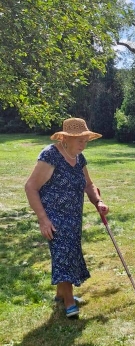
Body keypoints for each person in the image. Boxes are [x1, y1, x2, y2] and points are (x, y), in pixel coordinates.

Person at [24, 118, 109, 318]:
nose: (83, 144)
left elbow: (88, 184)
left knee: (69, 253)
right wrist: (43, 219)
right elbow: (30, 187)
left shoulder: (79, 157)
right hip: (53, 216)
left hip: (73, 216)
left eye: (85, 140)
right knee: (63, 254)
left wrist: (98, 202)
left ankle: (61, 294)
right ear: (65, 139)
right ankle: (69, 301)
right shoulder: (50, 155)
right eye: (79, 140)